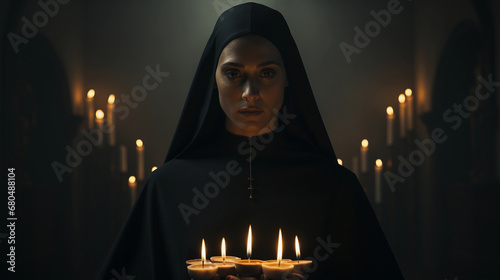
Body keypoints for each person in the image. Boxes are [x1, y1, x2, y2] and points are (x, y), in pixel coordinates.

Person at [96, 3, 404, 279]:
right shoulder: (165, 188)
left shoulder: (336, 187)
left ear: (288, 77)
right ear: (212, 79)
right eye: (233, 73)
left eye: (267, 73)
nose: (250, 93)